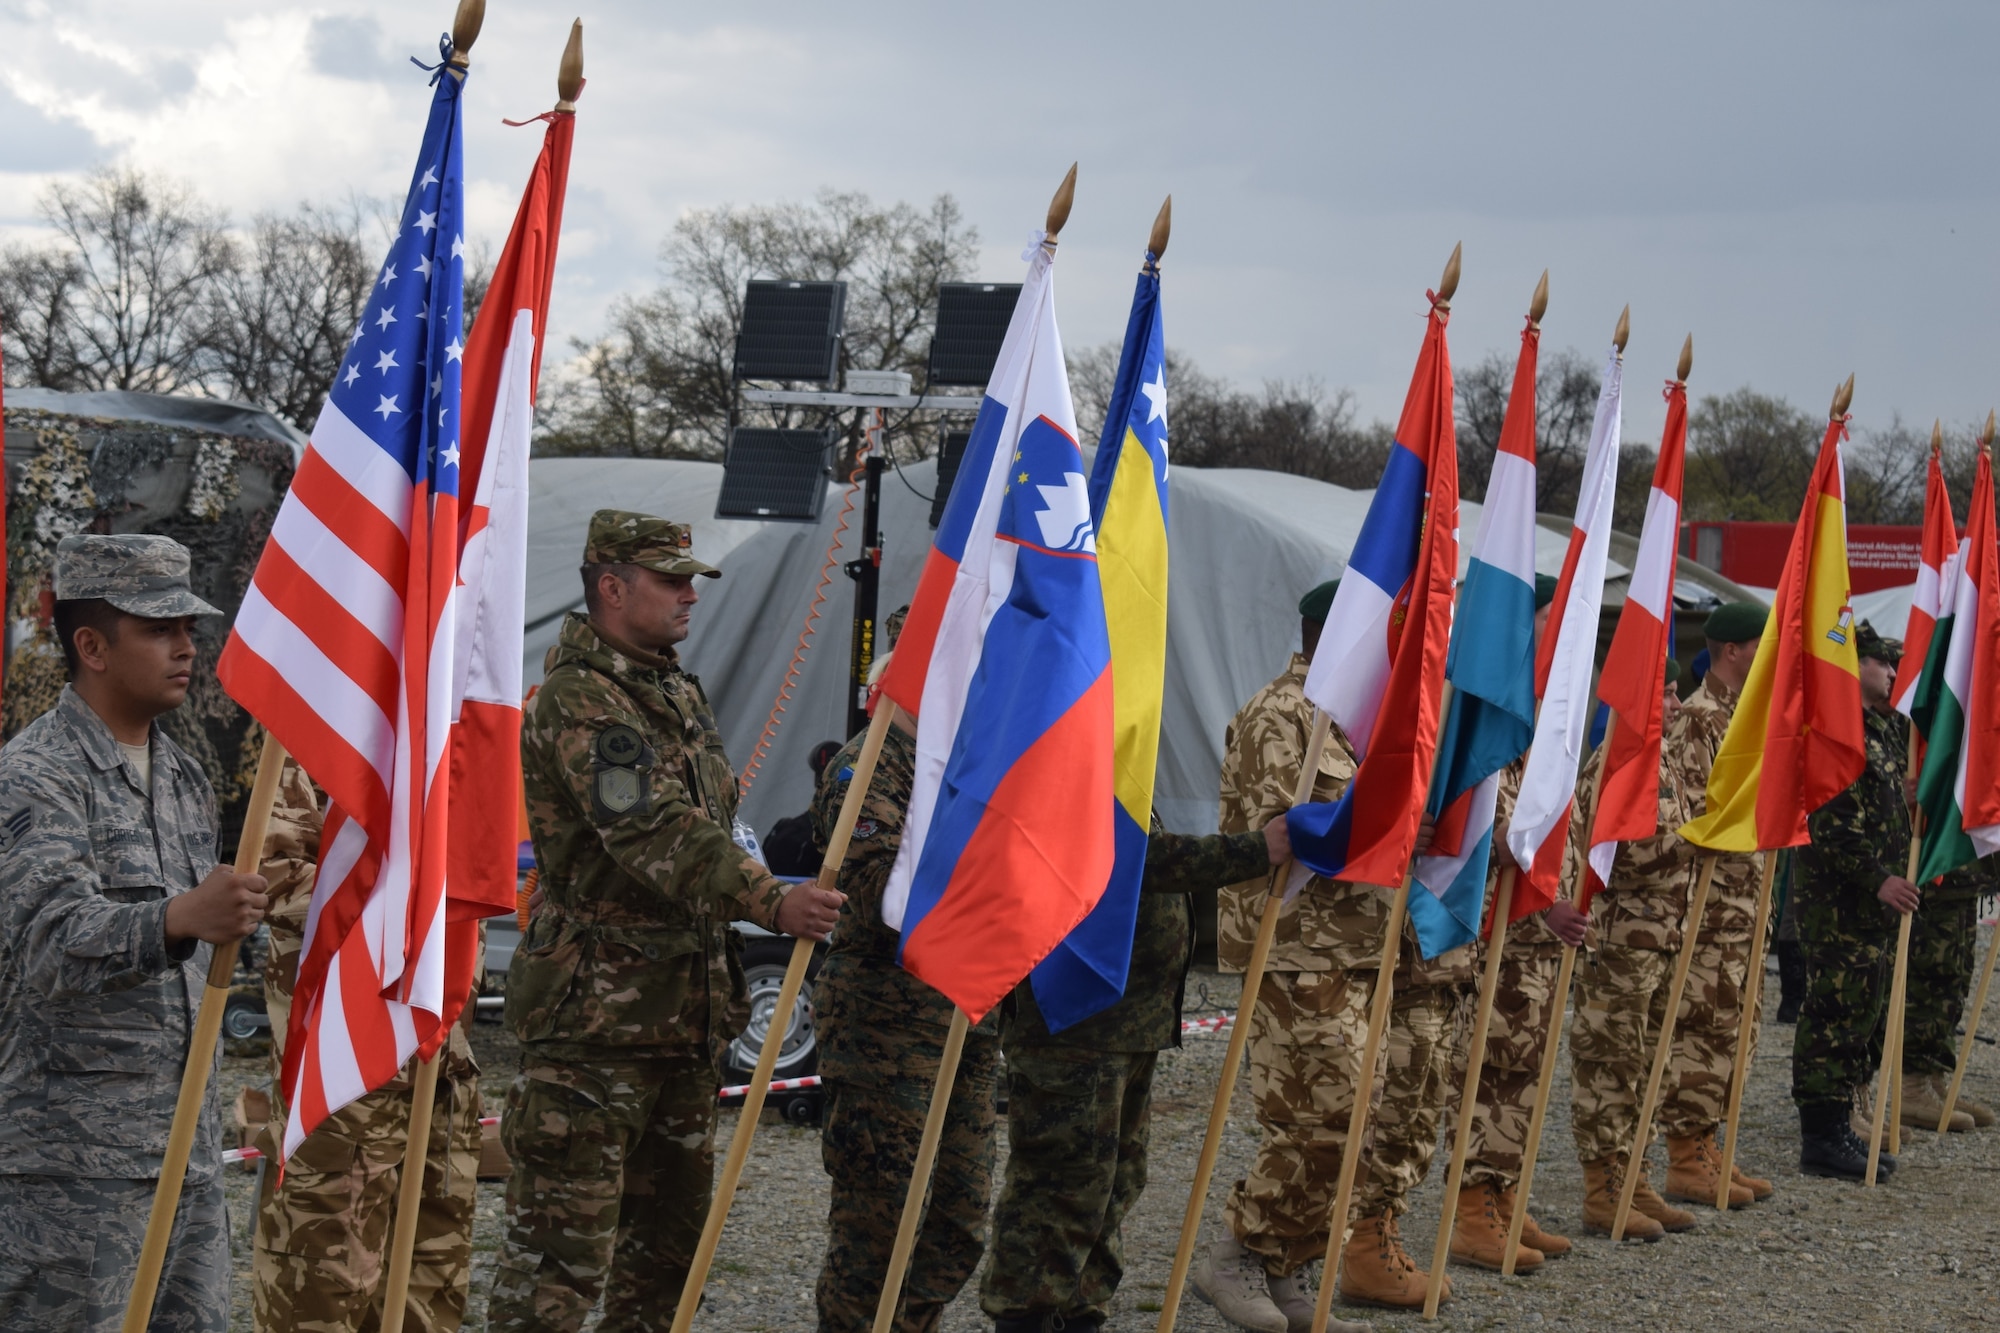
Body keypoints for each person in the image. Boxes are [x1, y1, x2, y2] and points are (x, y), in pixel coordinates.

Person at [486, 511, 844, 1333]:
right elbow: (653, 828)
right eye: (670, 578)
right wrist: (770, 899)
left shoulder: (671, 685)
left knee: (666, 1262)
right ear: (612, 587)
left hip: (679, 1020)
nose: (690, 594)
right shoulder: (584, 698)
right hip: (596, 1029)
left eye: (690, 578)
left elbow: (712, 815)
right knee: (560, 1263)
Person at [0, 533, 267, 1332]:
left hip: (185, 1154)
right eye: (158, 628)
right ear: (92, 646)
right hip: (70, 1174)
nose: (186, 646)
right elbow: (44, 941)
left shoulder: (182, 774)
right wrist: (177, 918)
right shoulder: (35, 775)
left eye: (189, 625)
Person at [981, 795, 1294, 1331]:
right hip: (1076, 1021)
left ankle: (1079, 1310)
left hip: (1129, 1021)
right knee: (1062, 1181)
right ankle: (1026, 1315)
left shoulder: (1118, 762)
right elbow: (1134, 858)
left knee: (1116, 1179)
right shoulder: (1066, 751)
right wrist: (1256, 849)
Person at [809, 609, 1002, 1333]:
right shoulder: (868, 764)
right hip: (885, 1027)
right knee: (877, 1226)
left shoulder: (971, 762)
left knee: (959, 1219)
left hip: (961, 1018)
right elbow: (873, 883)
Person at [1189, 580, 1373, 1333]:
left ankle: (1284, 1257)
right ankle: (1238, 1249)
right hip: (1296, 946)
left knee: (1353, 1120)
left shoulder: (1355, 721)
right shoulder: (1282, 714)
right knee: (1315, 1120)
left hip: (1354, 946)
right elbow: (1279, 828)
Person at [251, 758, 483, 1333]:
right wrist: (411, 901)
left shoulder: (458, 733)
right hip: (345, 1085)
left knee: (427, 1297)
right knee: (320, 1298)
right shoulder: (321, 725)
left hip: (440, 1077)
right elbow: (276, 874)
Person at [1443, 576, 1590, 1272]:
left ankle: (1503, 1195)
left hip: (1533, 939)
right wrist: (1538, 889)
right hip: (1496, 932)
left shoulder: (1545, 723)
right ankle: (1472, 1210)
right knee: (1488, 1070)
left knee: (1522, 1073)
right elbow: (1479, 825)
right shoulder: (1487, 712)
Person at [1564, 660, 1703, 1241]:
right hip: (1620, 944)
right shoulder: (1612, 763)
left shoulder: (1662, 757)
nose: (1674, 705)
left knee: (1647, 1066)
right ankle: (1604, 1189)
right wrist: (1696, 840)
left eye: (1675, 694)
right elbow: (1617, 854)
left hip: (1659, 940)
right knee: (1609, 1067)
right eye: (1665, 695)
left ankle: (1635, 1176)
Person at [1654, 601, 1775, 1211]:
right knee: (1702, 1027)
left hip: (1745, 903)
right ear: (1733, 650)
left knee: (1737, 1027)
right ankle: (1686, 1154)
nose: (1768, 657)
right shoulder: (1699, 719)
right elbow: (1696, 813)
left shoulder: (1748, 718)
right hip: (1709, 904)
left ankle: (1708, 1142)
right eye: (1761, 645)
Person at [1793, 623, 1914, 1179]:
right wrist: (1878, 879)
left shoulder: (1882, 731)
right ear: (1854, 665)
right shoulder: (1839, 733)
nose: (1892, 673)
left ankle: (1842, 1118)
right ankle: (1820, 1136)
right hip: (1840, 904)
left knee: (1861, 1015)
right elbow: (1833, 826)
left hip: (1871, 908)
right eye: (1881, 663)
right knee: (1832, 1016)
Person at [1900, 856, 1995, 1130]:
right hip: (1936, 871)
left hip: (1962, 875)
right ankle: (1912, 1086)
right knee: (1932, 978)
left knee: (1955, 979)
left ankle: (1932, 1079)